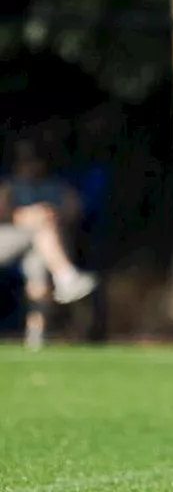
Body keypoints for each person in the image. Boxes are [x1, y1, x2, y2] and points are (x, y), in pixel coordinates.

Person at [0, 138, 99, 350]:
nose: (30, 166)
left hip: (39, 243)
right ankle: (66, 275)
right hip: (6, 239)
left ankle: (37, 335)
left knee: (39, 261)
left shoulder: (56, 186)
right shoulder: (9, 185)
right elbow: (3, 212)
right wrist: (26, 216)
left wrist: (52, 213)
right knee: (42, 232)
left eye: (34, 161)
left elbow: (76, 209)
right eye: (25, 161)